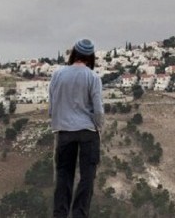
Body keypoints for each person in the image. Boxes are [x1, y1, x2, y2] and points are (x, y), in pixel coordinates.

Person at [49, 38, 104, 218]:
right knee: (87, 177)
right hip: (87, 131)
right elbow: (98, 109)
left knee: (64, 175)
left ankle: (60, 214)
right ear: (91, 57)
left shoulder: (58, 74)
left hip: (64, 131)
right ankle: (79, 214)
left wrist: (58, 121)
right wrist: (99, 127)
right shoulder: (92, 77)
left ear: (73, 54)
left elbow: (52, 104)